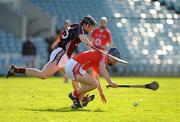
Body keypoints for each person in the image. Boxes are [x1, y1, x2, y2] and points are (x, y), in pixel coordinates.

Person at [6, 15, 96, 79]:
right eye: (91, 27)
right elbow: (81, 37)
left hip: (64, 55)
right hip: (62, 54)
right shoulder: (79, 28)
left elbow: (68, 40)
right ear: (86, 24)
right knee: (43, 74)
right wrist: (89, 43)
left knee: (75, 75)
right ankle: (16, 70)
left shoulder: (75, 26)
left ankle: (77, 97)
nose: (91, 30)